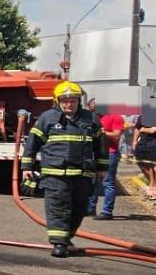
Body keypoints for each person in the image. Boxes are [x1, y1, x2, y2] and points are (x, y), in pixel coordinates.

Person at [20, 81, 107, 258]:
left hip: (82, 174)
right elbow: (32, 143)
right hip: (55, 174)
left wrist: (102, 167)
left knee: (80, 208)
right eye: (65, 101)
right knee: (57, 207)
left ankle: (67, 238)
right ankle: (59, 244)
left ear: (78, 101)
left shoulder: (91, 119)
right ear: (57, 101)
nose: (69, 104)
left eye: (73, 100)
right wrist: (26, 166)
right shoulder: (47, 118)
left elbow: (100, 145)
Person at [93, 108, 126, 220]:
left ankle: (107, 212)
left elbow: (116, 135)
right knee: (92, 182)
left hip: (110, 154)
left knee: (108, 183)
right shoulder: (93, 117)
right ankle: (90, 208)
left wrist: (100, 132)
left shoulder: (115, 117)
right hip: (94, 154)